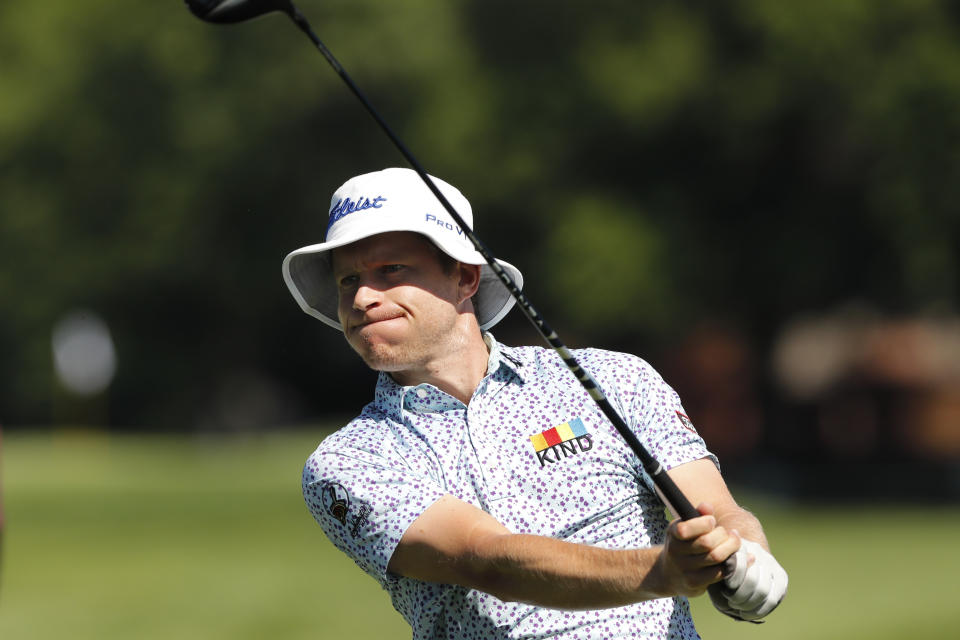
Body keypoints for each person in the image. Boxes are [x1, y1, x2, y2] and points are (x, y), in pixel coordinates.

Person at [284, 168, 787, 639]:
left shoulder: (614, 376)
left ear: (465, 277)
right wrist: (660, 572)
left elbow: (717, 508)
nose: (363, 297)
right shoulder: (347, 462)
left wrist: (744, 555)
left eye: (391, 270)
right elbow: (486, 560)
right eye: (348, 279)